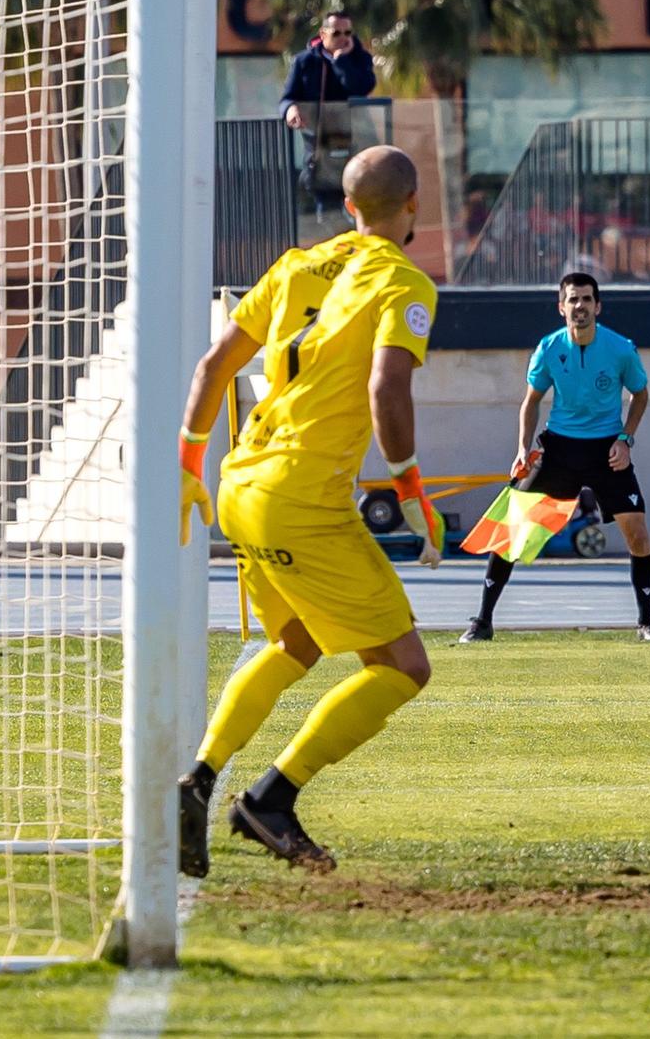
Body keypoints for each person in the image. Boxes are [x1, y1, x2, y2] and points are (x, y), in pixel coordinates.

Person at [173, 147, 443, 874]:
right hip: (302, 497)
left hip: (240, 484)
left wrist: (188, 462)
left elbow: (212, 367)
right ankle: (271, 798)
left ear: (349, 206)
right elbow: (388, 390)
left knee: (293, 643)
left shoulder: (296, 264)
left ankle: (197, 780)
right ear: (413, 204)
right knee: (403, 665)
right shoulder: (405, 280)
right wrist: (411, 488)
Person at [459, 271, 650, 645]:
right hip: (559, 449)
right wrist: (521, 449)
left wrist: (625, 439)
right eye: (573, 299)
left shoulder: (620, 349)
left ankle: (646, 622)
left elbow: (641, 394)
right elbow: (531, 402)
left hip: (607, 450)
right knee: (512, 530)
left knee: (638, 533)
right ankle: (482, 621)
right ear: (561, 307)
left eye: (586, 299)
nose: (579, 306)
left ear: (598, 307)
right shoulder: (549, 348)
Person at [281, 11, 378, 212]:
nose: (343, 38)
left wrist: (341, 61)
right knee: (327, 211)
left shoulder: (361, 59)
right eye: (336, 33)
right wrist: (290, 110)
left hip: (355, 144)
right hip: (320, 147)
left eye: (348, 32)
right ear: (323, 34)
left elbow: (361, 88)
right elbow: (287, 98)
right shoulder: (304, 62)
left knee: (359, 203)